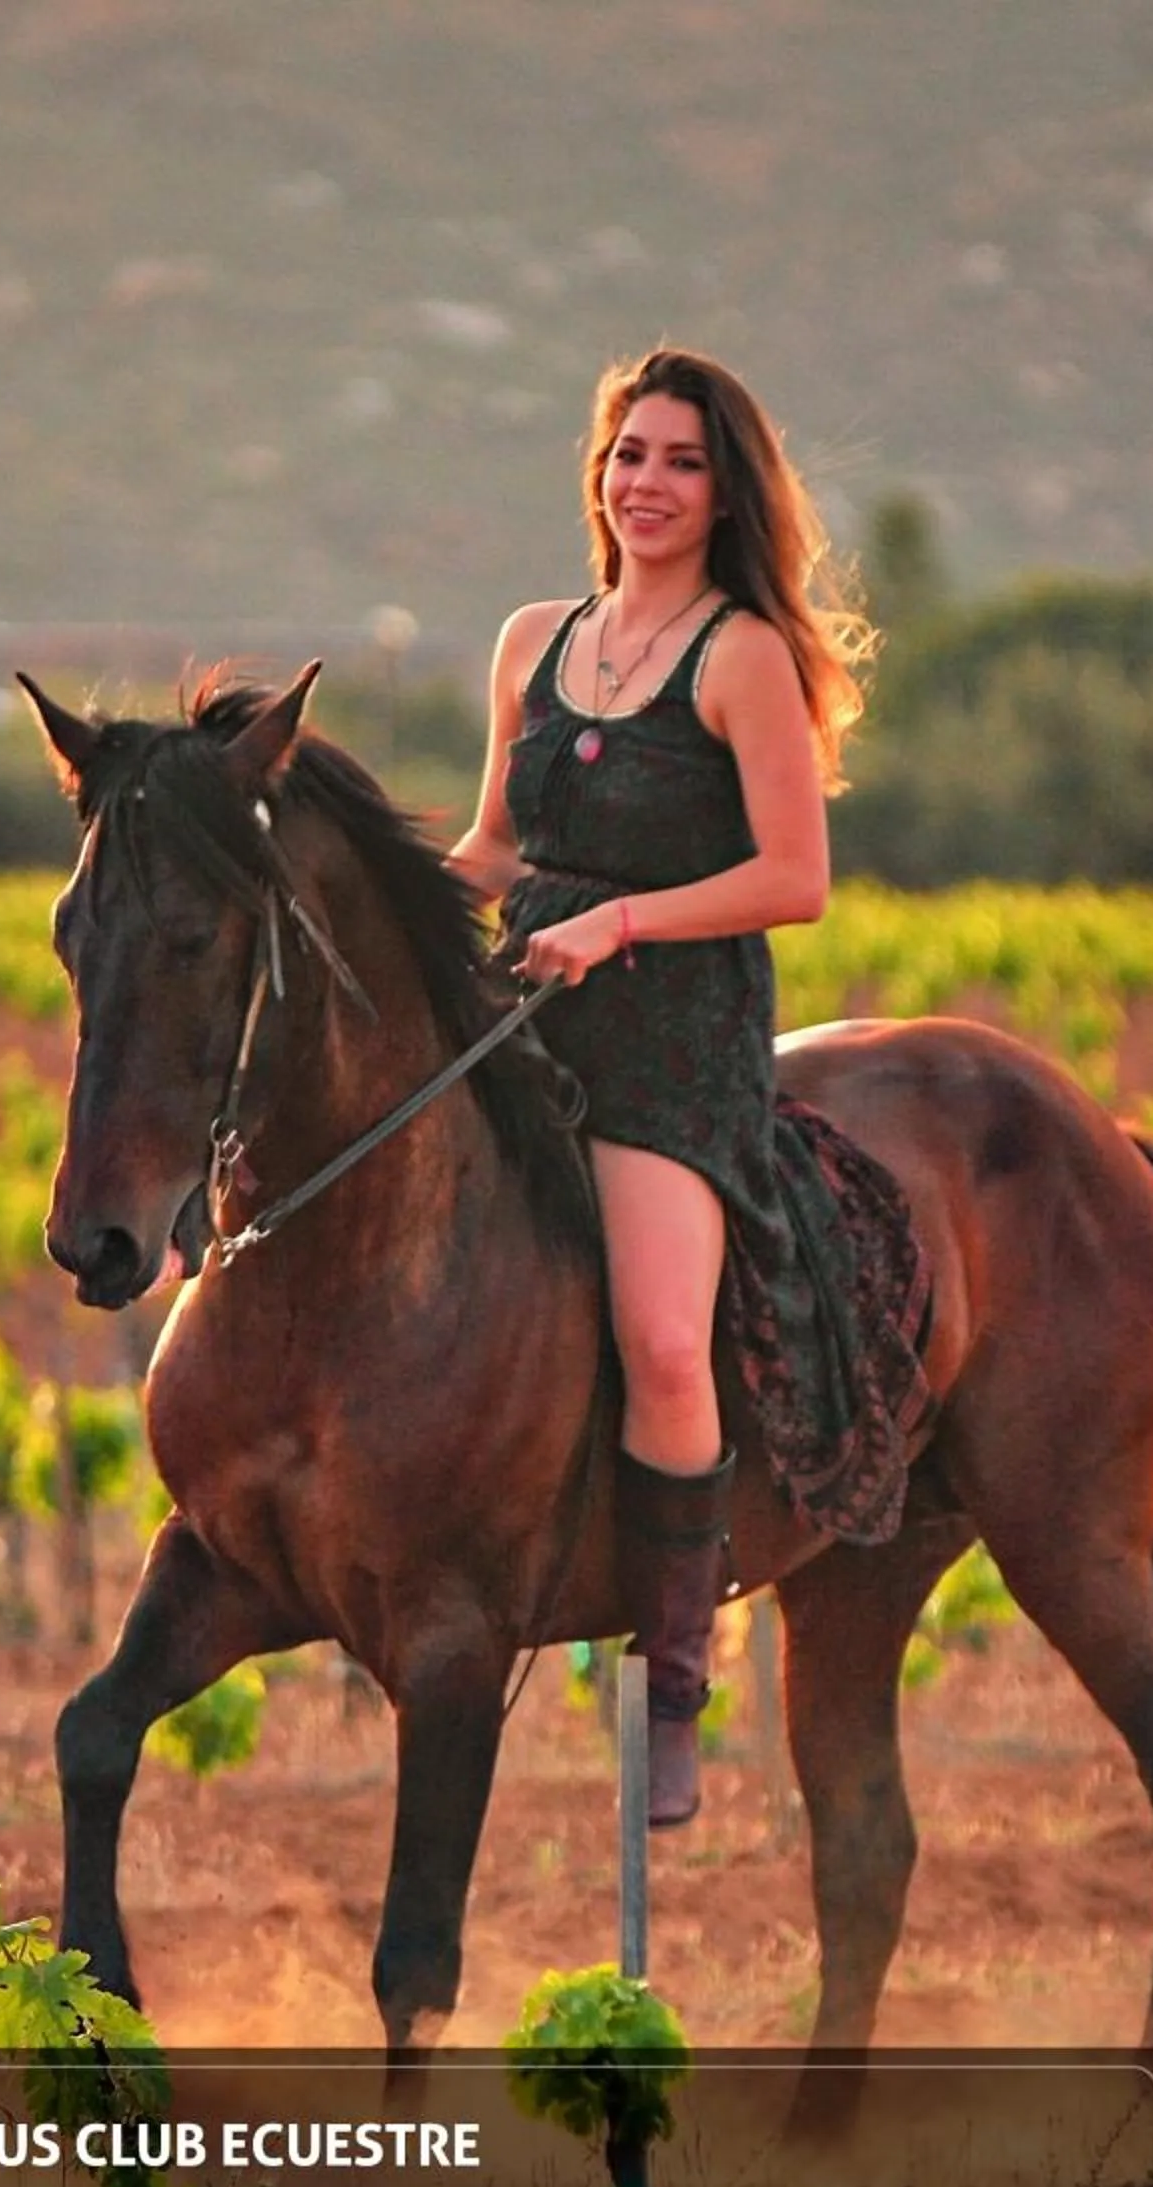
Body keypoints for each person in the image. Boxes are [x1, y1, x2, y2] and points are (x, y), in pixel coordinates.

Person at [445, 345, 925, 1829]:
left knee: (662, 1336)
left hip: (673, 1041)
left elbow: (797, 878)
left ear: (727, 495)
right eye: (626, 455)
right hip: (527, 1018)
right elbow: (493, 850)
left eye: (678, 461)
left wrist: (627, 920)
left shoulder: (743, 659)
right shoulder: (535, 641)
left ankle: (670, 1683)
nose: (644, 483)